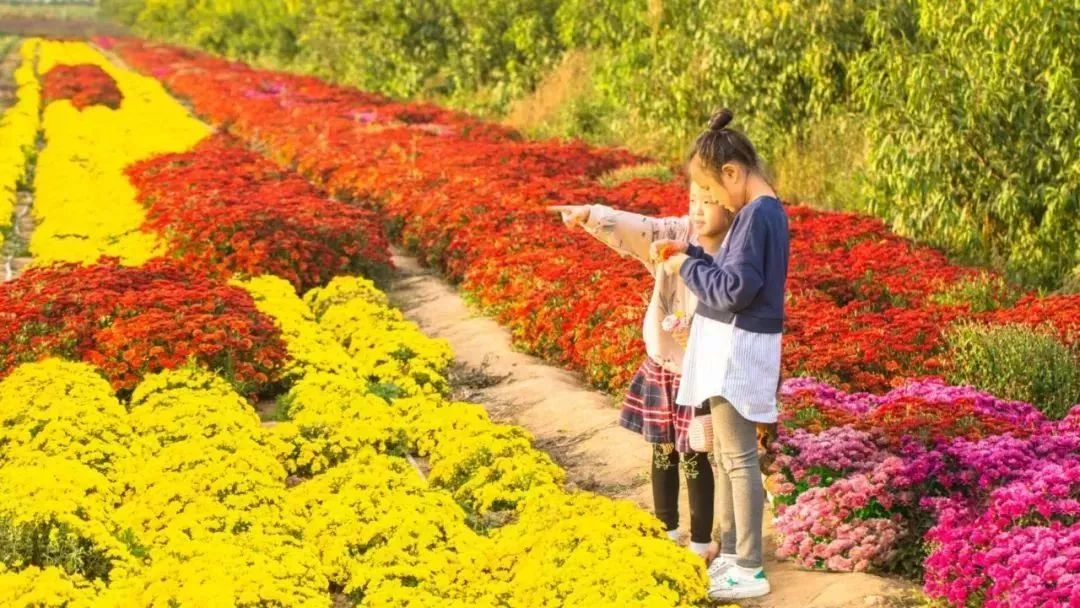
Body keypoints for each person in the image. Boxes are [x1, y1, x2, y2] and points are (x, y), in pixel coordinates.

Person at [547, 181, 732, 560]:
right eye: (694, 199)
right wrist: (591, 215)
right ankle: (666, 530)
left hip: (700, 373)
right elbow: (640, 228)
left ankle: (700, 542)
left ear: (733, 206)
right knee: (662, 448)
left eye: (709, 202)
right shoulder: (679, 233)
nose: (698, 210)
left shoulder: (734, 252)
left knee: (696, 452)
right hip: (663, 364)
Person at [652, 107, 789, 601]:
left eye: (712, 191)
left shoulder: (757, 215)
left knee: (738, 460)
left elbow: (734, 290)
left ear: (732, 173)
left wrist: (687, 268)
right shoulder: (759, 215)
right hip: (730, 346)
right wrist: (692, 258)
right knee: (730, 459)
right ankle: (732, 554)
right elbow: (733, 277)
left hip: (738, 348)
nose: (711, 202)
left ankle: (749, 566)